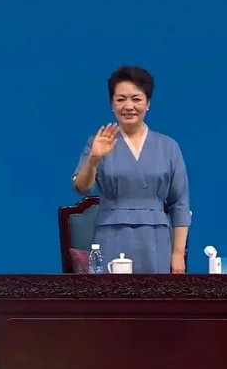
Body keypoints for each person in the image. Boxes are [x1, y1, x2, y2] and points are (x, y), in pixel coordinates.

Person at [72, 66, 191, 274]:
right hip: (110, 235)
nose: (129, 106)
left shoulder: (169, 146)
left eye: (136, 99)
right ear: (112, 104)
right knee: (111, 302)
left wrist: (178, 254)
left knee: (155, 302)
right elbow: (81, 187)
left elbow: (179, 203)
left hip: (156, 238)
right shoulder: (98, 142)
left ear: (148, 103)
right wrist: (94, 159)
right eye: (121, 99)